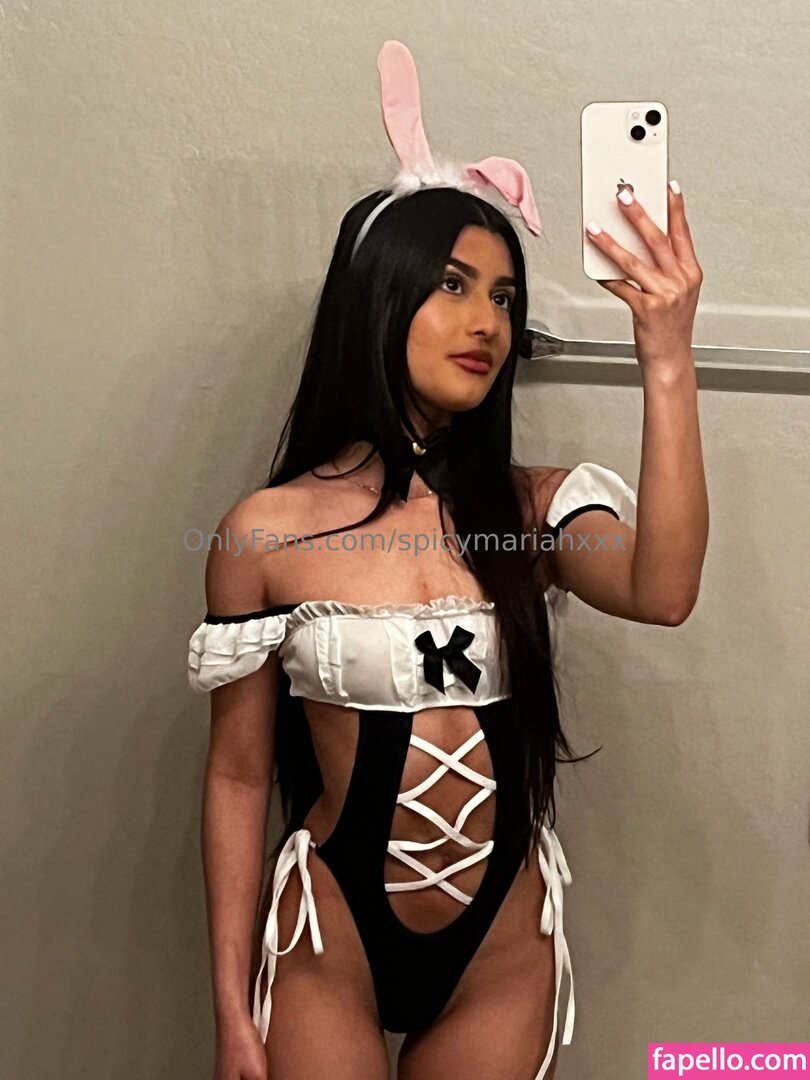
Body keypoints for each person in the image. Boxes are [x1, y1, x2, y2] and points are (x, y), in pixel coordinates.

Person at [188, 40, 706, 1080]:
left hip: (501, 953)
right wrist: (232, 1012)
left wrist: (666, 353)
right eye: (455, 286)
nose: (486, 323)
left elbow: (663, 591)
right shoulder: (264, 535)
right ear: (379, 296)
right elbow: (239, 777)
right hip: (330, 938)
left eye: (505, 298)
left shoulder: (532, 511)